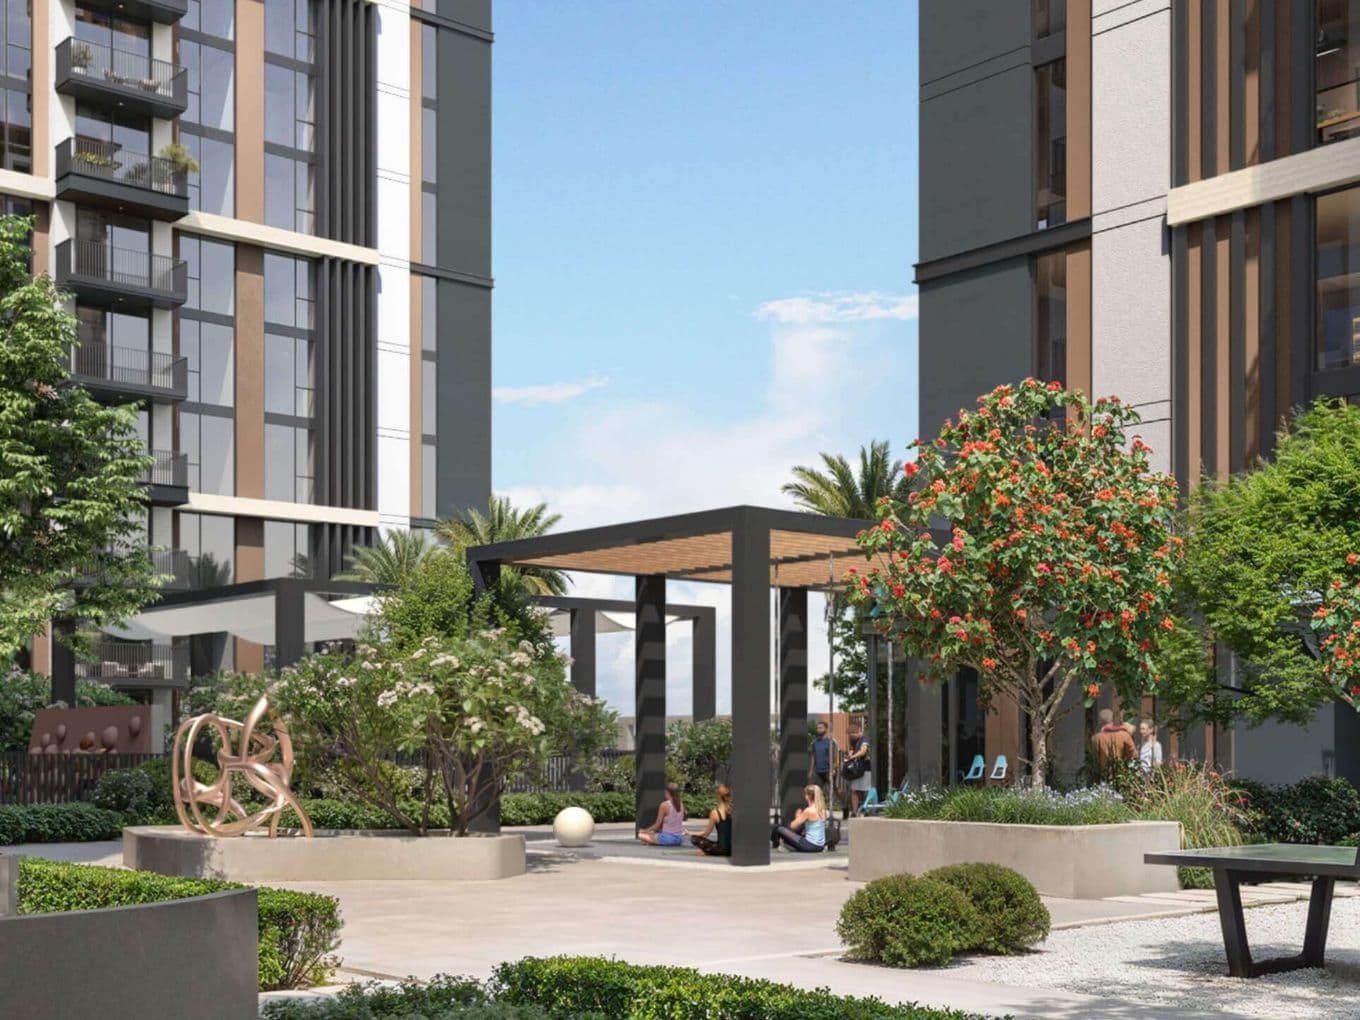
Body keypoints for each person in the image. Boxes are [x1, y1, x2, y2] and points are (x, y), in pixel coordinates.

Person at [771, 784, 829, 853]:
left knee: (778, 828)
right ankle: (786, 845)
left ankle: (778, 844)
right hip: (820, 846)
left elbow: (793, 826)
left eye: (806, 794)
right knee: (800, 830)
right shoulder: (823, 810)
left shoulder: (809, 810)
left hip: (809, 846)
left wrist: (798, 816)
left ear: (808, 796)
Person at [689, 783, 732, 857]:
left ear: (718, 796)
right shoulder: (733, 810)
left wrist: (690, 832)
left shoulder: (715, 813)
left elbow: (706, 833)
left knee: (694, 838)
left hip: (721, 849)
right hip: (733, 850)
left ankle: (707, 851)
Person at [638, 782, 685, 846]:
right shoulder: (681, 804)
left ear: (667, 792)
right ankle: (652, 842)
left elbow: (657, 825)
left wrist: (644, 830)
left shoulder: (664, 805)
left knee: (640, 835)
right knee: (652, 834)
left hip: (667, 839)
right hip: (679, 839)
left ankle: (651, 842)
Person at [843, 721, 872, 815]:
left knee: (866, 790)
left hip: (865, 768)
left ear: (859, 731)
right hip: (856, 769)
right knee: (854, 790)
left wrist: (852, 756)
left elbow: (863, 751)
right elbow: (851, 750)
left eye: (853, 734)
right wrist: (850, 754)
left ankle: (867, 809)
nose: (852, 737)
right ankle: (855, 811)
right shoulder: (854, 740)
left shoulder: (865, 738)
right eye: (850, 735)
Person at [810, 720, 834, 792]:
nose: (818, 730)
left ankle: (842, 803)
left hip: (828, 770)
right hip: (818, 771)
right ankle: (820, 803)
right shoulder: (815, 742)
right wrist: (811, 770)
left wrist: (833, 768)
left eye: (821, 728)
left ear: (826, 729)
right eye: (817, 728)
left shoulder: (830, 741)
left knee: (834, 789)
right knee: (817, 791)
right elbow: (813, 756)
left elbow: (834, 756)